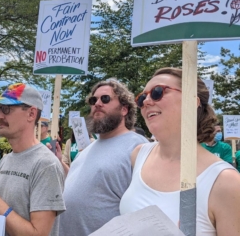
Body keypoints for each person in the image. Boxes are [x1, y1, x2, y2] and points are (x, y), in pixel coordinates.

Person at [120, 68, 240, 235]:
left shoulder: (226, 182)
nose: (146, 101)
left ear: (192, 101)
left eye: (157, 92)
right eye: (141, 98)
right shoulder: (139, 155)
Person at [0, 83, 65, 236]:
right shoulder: (5, 160)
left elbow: (38, 233)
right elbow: (5, 213)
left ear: (31, 114)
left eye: (6, 109)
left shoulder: (46, 164)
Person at [59, 80, 148, 236]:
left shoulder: (138, 146)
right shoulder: (86, 150)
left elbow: (146, 209)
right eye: (94, 100)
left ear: (124, 109)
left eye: (105, 99)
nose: (97, 104)